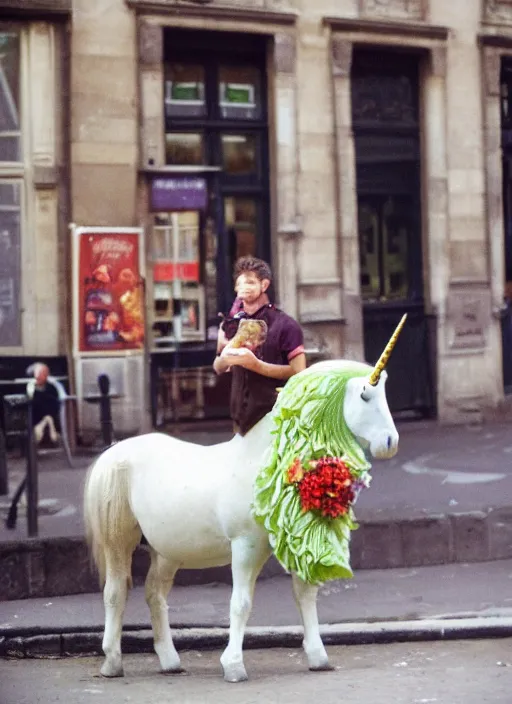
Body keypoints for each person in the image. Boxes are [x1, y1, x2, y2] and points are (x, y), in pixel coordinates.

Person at [213, 256, 306, 435]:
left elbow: (299, 371)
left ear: (264, 285)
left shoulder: (285, 325)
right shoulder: (231, 324)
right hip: (240, 421)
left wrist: (256, 365)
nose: (244, 288)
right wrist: (226, 356)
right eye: (240, 284)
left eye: (250, 282)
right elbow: (217, 366)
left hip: (276, 419)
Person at [26, 363, 61, 446]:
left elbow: (55, 405)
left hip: (51, 414)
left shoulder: (51, 388)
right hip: (35, 416)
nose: (38, 376)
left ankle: (46, 422)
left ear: (47, 375)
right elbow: (29, 402)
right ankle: (46, 423)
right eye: (37, 373)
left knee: (49, 416)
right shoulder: (30, 386)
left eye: (42, 374)